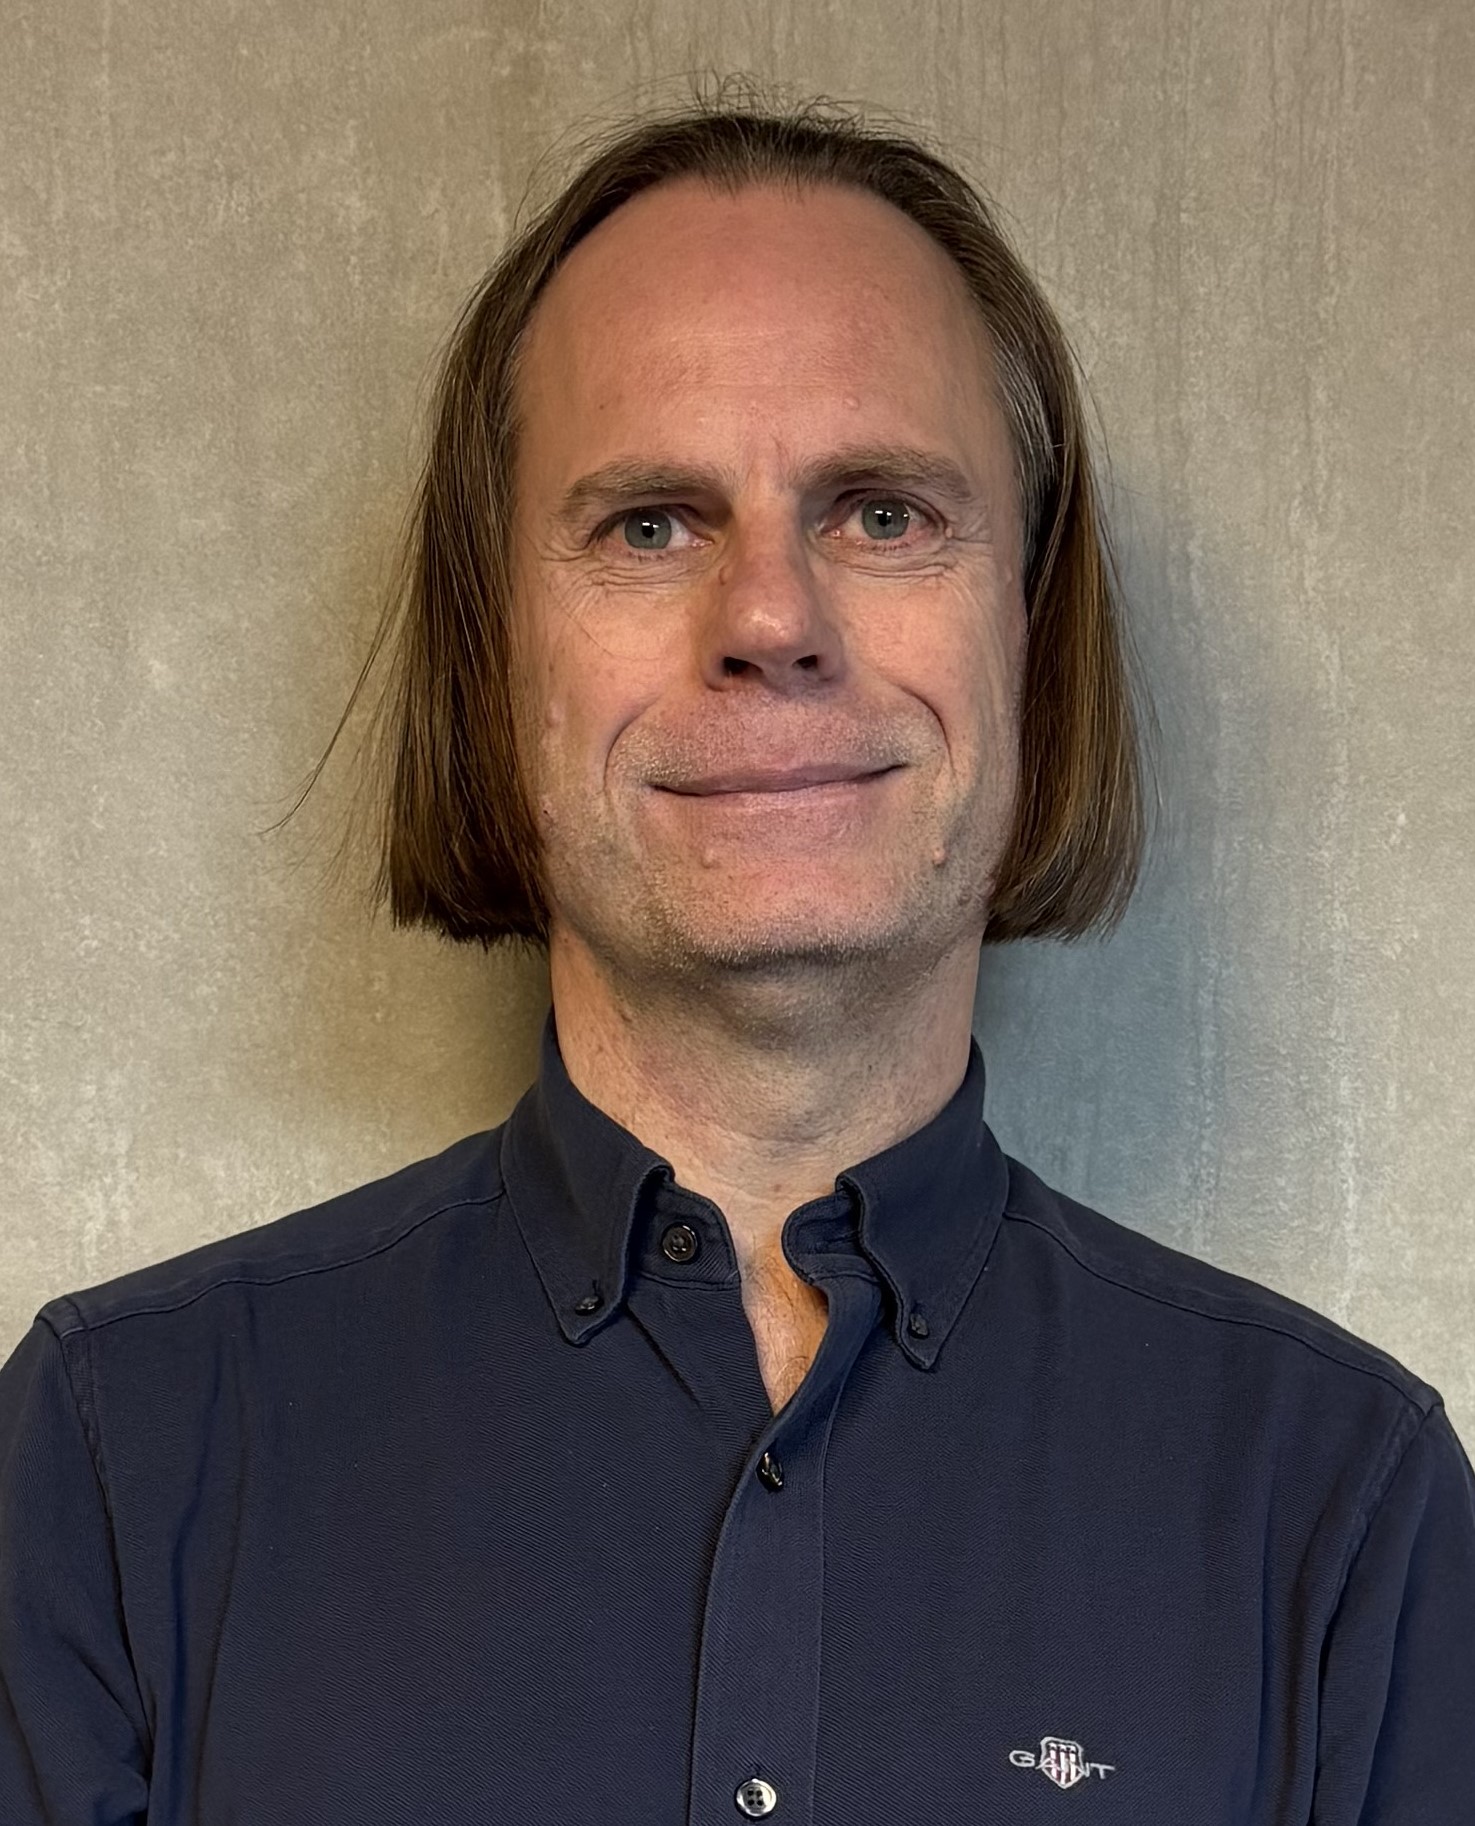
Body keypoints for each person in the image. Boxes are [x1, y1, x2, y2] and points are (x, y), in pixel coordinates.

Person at [2, 93, 1472, 1825]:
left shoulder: (1344, 1517)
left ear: (1028, 624)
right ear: (497, 652)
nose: (770, 618)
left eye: (883, 512)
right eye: (650, 524)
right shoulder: (111, 1468)